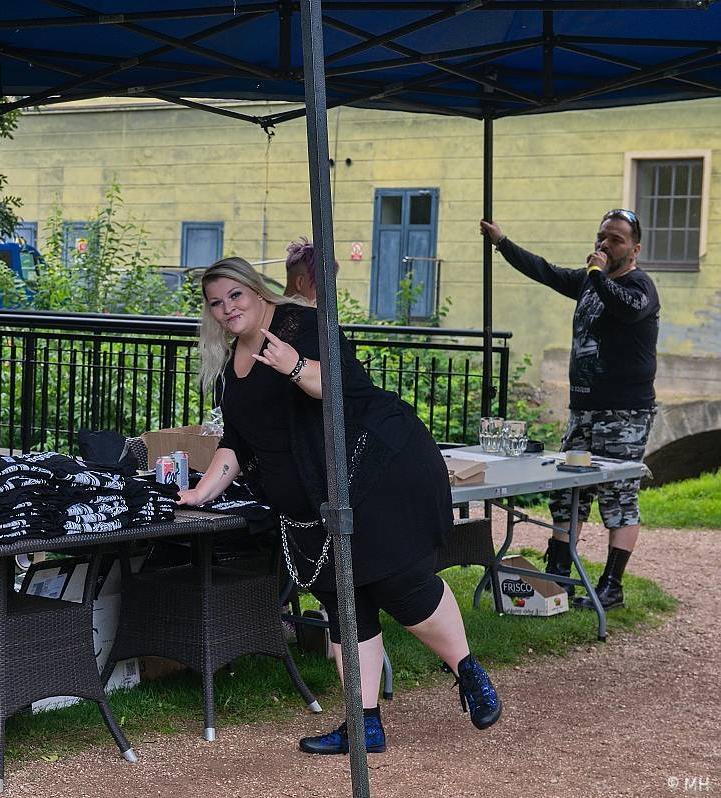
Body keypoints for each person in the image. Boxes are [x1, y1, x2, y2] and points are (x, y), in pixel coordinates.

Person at [178, 257, 500, 755]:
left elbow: (344, 390)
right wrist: (202, 492)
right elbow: (238, 443)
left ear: (256, 291)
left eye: (234, 296)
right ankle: (363, 724)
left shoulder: (302, 324)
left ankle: (468, 671)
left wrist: (295, 367)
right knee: (345, 610)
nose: (227, 309)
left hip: (369, 478)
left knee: (400, 586)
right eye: (216, 303)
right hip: (313, 506)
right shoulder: (229, 370)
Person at [480, 211, 659, 610]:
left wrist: (596, 276)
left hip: (624, 413)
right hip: (584, 409)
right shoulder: (587, 282)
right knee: (567, 491)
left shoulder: (640, 286)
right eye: (601, 237)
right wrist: (502, 243)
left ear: (635, 248)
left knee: (618, 495)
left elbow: (626, 309)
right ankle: (559, 575)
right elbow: (544, 271)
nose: (604, 245)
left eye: (615, 239)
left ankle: (612, 585)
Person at [283, 236, 338, 303]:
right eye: (320, 289)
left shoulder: (270, 310)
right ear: (300, 282)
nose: (325, 296)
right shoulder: (311, 312)